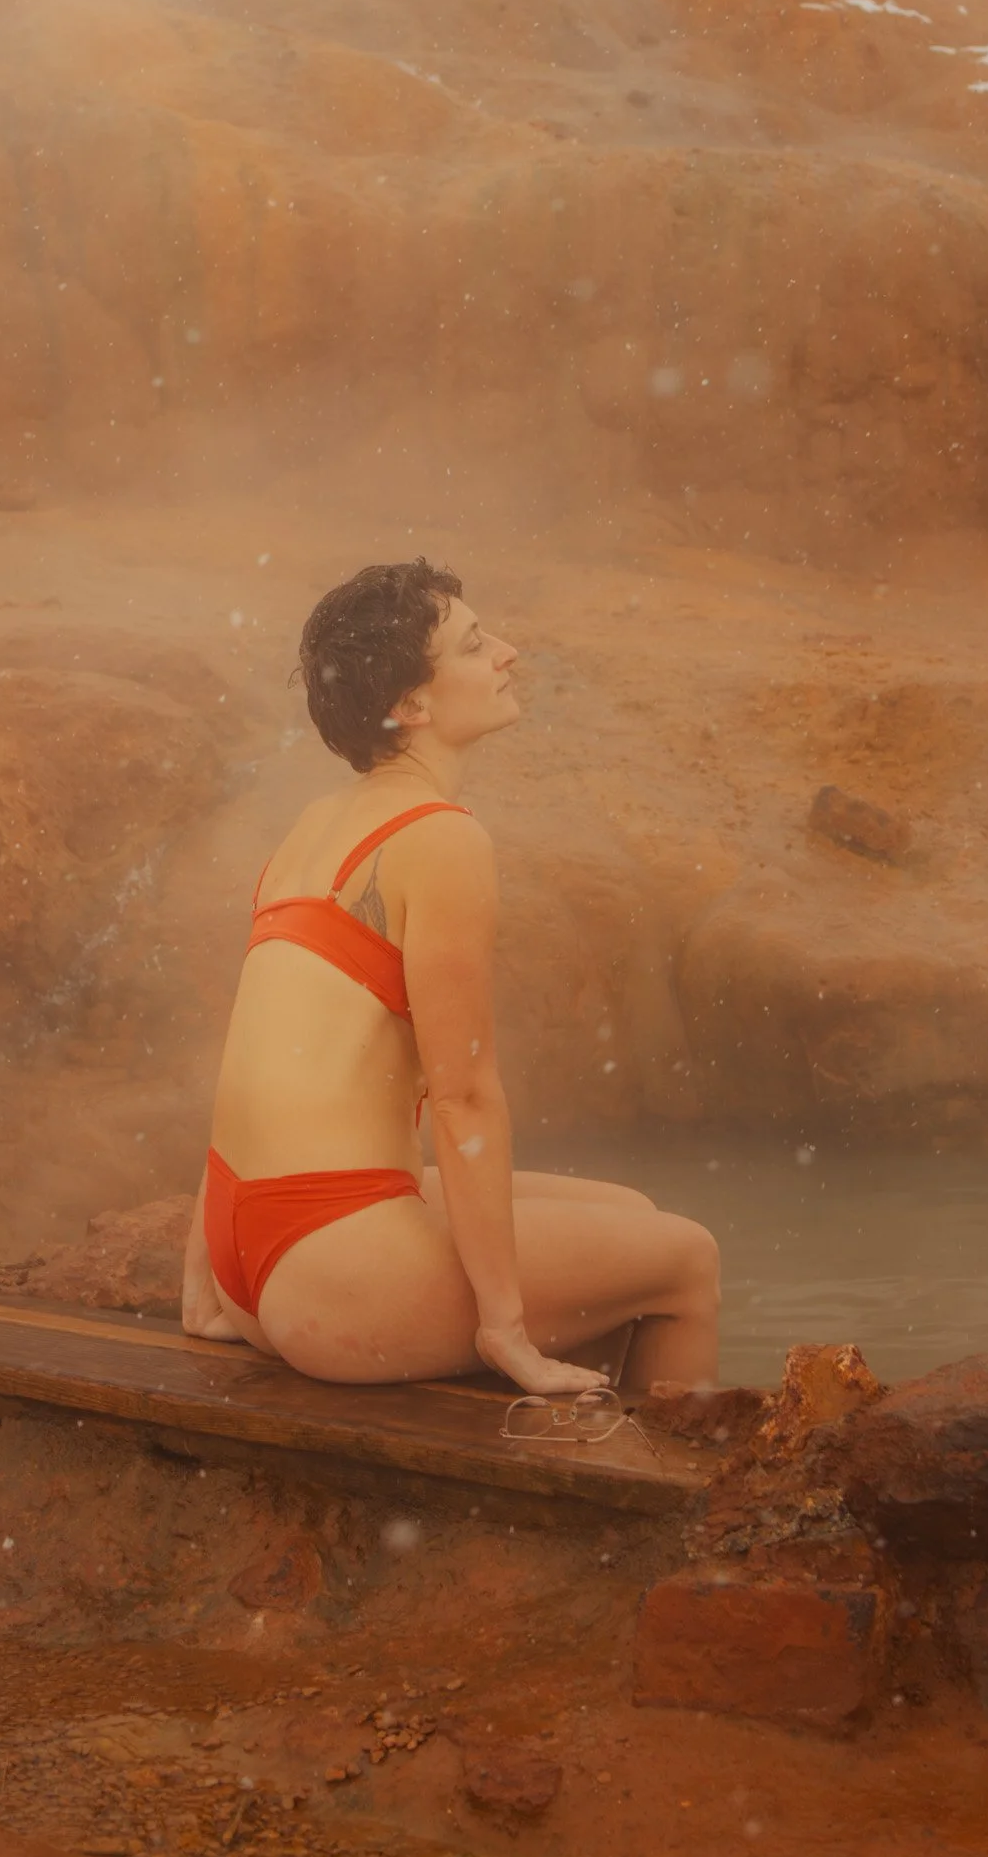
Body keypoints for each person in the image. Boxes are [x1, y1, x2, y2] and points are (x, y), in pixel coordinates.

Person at [182, 558, 719, 1398]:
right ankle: (650, 1474)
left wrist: (205, 1286)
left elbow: (252, 1061)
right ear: (411, 706)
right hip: (335, 1281)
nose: (506, 652)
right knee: (686, 1261)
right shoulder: (437, 836)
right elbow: (464, 1097)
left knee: (631, 1218)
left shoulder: (315, 825)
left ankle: (574, 1434)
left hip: (250, 1251)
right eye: (473, 645)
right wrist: (504, 1328)